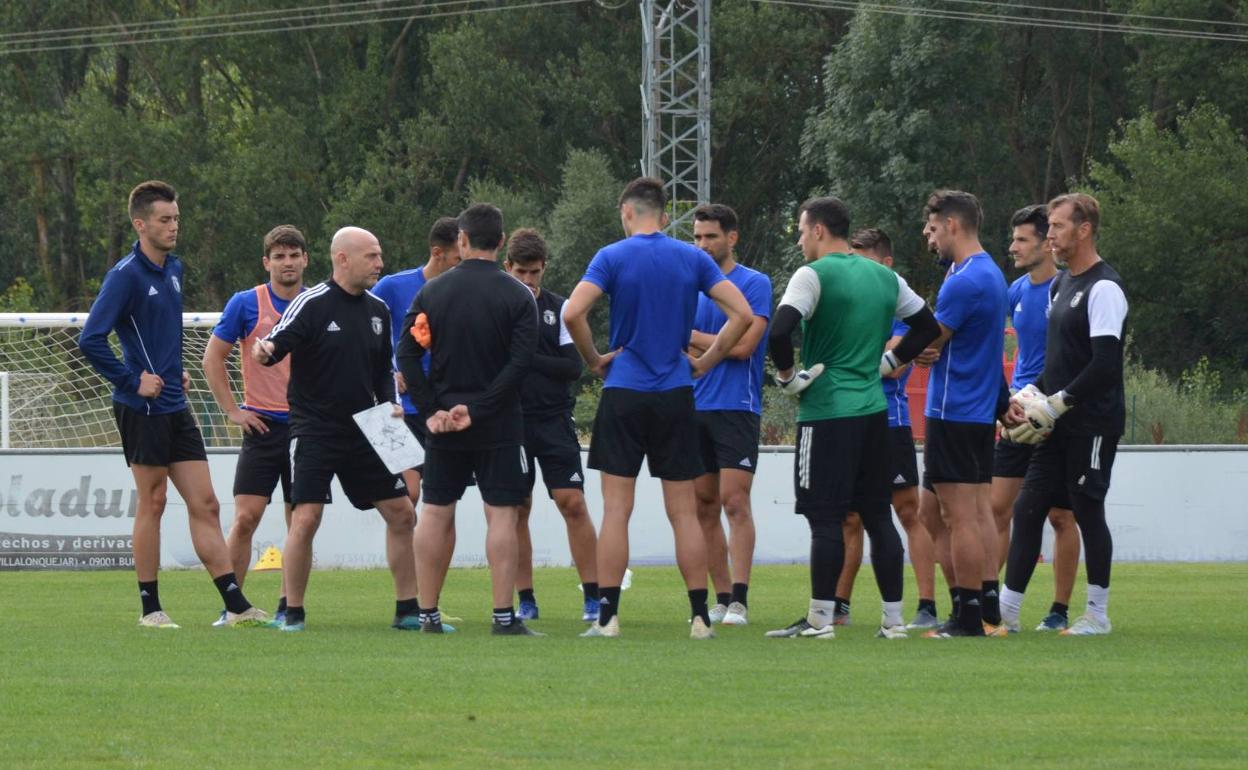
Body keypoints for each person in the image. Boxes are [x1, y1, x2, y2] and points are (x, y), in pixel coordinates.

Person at [562, 177, 753, 640]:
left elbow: (572, 314)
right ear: (664, 216)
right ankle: (700, 618)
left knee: (616, 510)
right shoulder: (691, 257)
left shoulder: (611, 256)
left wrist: (594, 361)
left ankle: (608, 618)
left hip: (625, 390)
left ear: (626, 212)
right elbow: (743, 315)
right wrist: (705, 362)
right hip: (675, 393)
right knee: (684, 512)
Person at [79, 180, 266, 628]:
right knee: (155, 501)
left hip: (174, 404)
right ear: (141, 224)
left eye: (176, 218)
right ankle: (151, 609)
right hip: (139, 408)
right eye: (165, 219)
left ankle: (237, 606)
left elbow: (160, 333)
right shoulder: (124, 275)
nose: (173, 226)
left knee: (206, 503)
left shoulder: (175, 268)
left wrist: (173, 370)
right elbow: (91, 339)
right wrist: (132, 379)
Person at [764, 197, 940, 641]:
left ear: (820, 230)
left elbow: (779, 331)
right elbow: (927, 326)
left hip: (825, 413)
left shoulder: (812, 274)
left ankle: (821, 620)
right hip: (874, 415)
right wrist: (889, 362)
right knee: (879, 515)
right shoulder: (886, 276)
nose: (802, 240)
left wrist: (788, 378)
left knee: (824, 517)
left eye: (803, 231)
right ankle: (894, 621)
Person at [253, 226, 418, 632]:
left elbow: (383, 372)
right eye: (372, 256)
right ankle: (292, 613)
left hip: (370, 426)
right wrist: (265, 350)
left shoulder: (379, 310)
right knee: (305, 518)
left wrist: (391, 407)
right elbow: (276, 344)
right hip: (316, 429)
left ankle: (409, 611)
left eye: (380, 256)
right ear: (342, 258)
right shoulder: (312, 303)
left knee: (403, 513)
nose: (380, 264)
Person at [396, 203, 541, 636]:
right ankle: (502, 617)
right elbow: (519, 366)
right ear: (500, 242)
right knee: (502, 515)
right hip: (498, 423)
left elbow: (406, 353)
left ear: (461, 240)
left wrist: (433, 409)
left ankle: (427, 615)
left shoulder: (431, 293)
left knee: (437, 511)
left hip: (442, 424)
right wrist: (476, 410)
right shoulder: (520, 296)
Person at [1001, 193, 1128, 636]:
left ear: (1084, 230)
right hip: (1056, 421)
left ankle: (1097, 615)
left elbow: (1105, 364)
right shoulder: (1059, 285)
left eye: (1056, 226)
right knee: (1029, 507)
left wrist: (1060, 402)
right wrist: (1035, 392)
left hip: (1092, 423)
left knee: (1087, 510)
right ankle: (1007, 615)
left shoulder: (1104, 288)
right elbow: (1062, 359)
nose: (1049, 234)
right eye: (1049, 227)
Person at [829, 228, 941, 631]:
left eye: (866, 260)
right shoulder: (846, 300)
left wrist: (852, 355)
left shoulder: (897, 301)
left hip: (889, 421)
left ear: (887, 263)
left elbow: (903, 356)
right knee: (849, 519)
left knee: (907, 511)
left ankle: (926, 604)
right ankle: (838, 605)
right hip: (845, 421)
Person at [916, 190, 1014, 638]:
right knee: (945, 513)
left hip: (952, 408)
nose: (928, 237)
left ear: (953, 225)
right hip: (973, 410)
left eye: (933, 228)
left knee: (962, 516)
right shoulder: (990, 273)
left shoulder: (964, 280)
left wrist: (904, 349)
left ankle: (969, 615)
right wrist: (1000, 401)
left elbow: (929, 341)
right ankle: (988, 606)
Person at [202, 224, 309, 627]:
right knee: (246, 518)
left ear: (305, 260)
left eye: (293, 255)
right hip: (261, 426)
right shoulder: (246, 304)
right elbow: (212, 360)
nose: (287, 262)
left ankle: (288, 606)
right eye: (278, 256)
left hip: (305, 428)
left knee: (299, 522)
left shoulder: (317, 303)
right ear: (267, 263)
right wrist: (233, 411)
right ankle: (233, 607)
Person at [502, 228, 600, 624]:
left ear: (544, 269)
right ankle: (526, 598)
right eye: (521, 272)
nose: (528, 281)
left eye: (535, 273)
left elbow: (571, 366)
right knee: (517, 509)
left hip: (554, 420)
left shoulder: (559, 309)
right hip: (510, 423)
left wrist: (523, 357)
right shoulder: (496, 309)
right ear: (507, 267)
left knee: (572, 503)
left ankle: (594, 597)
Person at [991, 205, 1080, 632]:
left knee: (1061, 516)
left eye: (1022, 239)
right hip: (1017, 414)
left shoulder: (1066, 289)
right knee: (997, 509)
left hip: (1056, 415)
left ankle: (1059, 610)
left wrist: (1052, 404)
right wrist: (1006, 401)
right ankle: (991, 603)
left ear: (1047, 242)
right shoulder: (1014, 291)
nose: (1013, 247)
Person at [687, 203, 771, 626]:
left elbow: (742, 348)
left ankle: (740, 598)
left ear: (731, 238)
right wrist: (710, 340)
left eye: (711, 237)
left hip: (736, 407)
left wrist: (694, 339)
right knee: (703, 505)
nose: (702, 245)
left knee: (734, 502)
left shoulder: (754, 284)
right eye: (697, 237)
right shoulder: (690, 285)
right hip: (692, 405)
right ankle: (719, 597)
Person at [371, 217, 462, 509]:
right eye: (458, 258)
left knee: (442, 499)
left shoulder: (463, 291)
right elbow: (363, 327)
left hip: (444, 405)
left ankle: (425, 556)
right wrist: (388, 368)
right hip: (400, 409)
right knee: (407, 495)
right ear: (437, 253)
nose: (463, 266)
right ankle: (406, 554)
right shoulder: (392, 287)